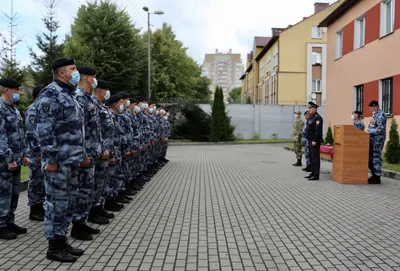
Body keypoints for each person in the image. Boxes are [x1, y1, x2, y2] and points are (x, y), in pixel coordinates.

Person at [36, 57, 85, 262]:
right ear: (62, 73)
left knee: (67, 204)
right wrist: (51, 159)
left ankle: (62, 239)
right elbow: (45, 131)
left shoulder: (69, 94)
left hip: (71, 160)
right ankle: (53, 247)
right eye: (73, 69)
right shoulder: (50, 94)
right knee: (56, 204)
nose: (76, 72)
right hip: (58, 162)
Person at [71, 66, 107, 241]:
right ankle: (77, 226)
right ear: (85, 78)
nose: (95, 80)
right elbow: (78, 130)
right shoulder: (78, 98)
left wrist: (97, 149)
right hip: (83, 155)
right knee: (81, 191)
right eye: (93, 77)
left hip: (92, 154)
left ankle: (82, 222)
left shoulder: (88, 99)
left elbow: (94, 129)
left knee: (87, 191)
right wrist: (83, 153)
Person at [0, 78, 30, 240]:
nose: (19, 93)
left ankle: (9, 221)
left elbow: (20, 135)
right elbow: (1, 137)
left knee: (13, 193)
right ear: (6, 90)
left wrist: (24, 154)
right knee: (3, 193)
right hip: (4, 162)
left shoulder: (13, 109)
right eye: (16, 90)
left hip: (17, 160)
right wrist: (9, 158)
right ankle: (1, 225)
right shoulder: (0, 109)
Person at [91, 80, 115, 220]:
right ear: (99, 90)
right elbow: (93, 131)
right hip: (96, 152)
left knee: (100, 183)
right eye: (106, 90)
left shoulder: (100, 106)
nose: (108, 93)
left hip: (103, 151)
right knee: (94, 184)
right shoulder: (91, 105)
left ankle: (98, 208)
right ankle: (93, 212)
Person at [25, 84, 46, 221]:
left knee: (42, 182)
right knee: (36, 181)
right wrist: (38, 152)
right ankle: (34, 209)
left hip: (44, 152)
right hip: (37, 153)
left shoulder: (42, 109)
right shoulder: (32, 110)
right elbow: (32, 133)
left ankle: (40, 207)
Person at [367, 100, 386, 184]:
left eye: (372, 108)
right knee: (371, 157)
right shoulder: (374, 115)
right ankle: (373, 174)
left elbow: (380, 129)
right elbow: (370, 126)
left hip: (378, 140)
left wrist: (370, 131)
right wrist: (369, 131)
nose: (371, 110)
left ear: (376, 106)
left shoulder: (381, 115)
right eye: (370, 108)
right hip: (372, 139)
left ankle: (377, 176)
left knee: (376, 157)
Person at [305, 101, 323, 181]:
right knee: (311, 158)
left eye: (311, 108)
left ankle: (316, 175)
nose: (309, 110)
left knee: (315, 158)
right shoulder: (311, 117)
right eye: (309, 108)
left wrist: (315, 140)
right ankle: (312, 172)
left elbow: (318, 130)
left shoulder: (318, 118)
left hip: (314, 141)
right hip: (310, 140)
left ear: (315, 108)